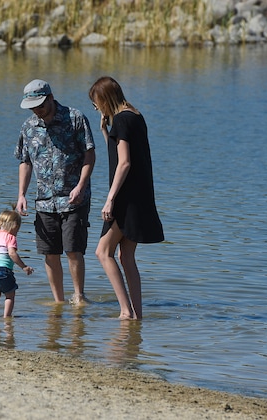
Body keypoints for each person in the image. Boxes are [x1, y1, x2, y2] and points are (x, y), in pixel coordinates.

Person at [88, 76, 164, 320]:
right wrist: (104, 130)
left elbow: (124, 163)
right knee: (126, 256)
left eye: (96, 102)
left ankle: (125, 311)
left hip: (125, 198)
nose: (96, 108)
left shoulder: (121, 120)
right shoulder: (135, 116)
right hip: (140, 196)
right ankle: (137, 314)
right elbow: (119, 153)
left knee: (103, 252)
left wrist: (110, 199)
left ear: (105, 98)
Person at [15, 79, 96, 305]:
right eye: (32, 107)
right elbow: (25, 161)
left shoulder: (75, 118)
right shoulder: (28, 127)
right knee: (49, 253)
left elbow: (90, 155)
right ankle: (59, 303)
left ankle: (79, 297)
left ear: (50, 97)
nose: (36, 110)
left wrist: (81, 185)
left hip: (74, 198)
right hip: (43, 201)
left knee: (73, 250)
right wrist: (22, 194)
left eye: (40, 105)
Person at [0, 210, 35, 318]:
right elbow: (12, 254)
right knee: (10, 295)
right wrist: (24, 267)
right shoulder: (10, 238)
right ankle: (7, 316)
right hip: (4, 271)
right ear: (14, 226)